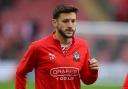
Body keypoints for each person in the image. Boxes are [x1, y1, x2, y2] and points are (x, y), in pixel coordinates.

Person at [15, 4, 99, 89]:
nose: (70, 25)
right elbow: (21, 72)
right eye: (65, 21)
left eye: (73, 21)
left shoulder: (83, 45)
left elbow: (87, 80)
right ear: (55, 23)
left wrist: (93, 71)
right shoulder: (38, 47)